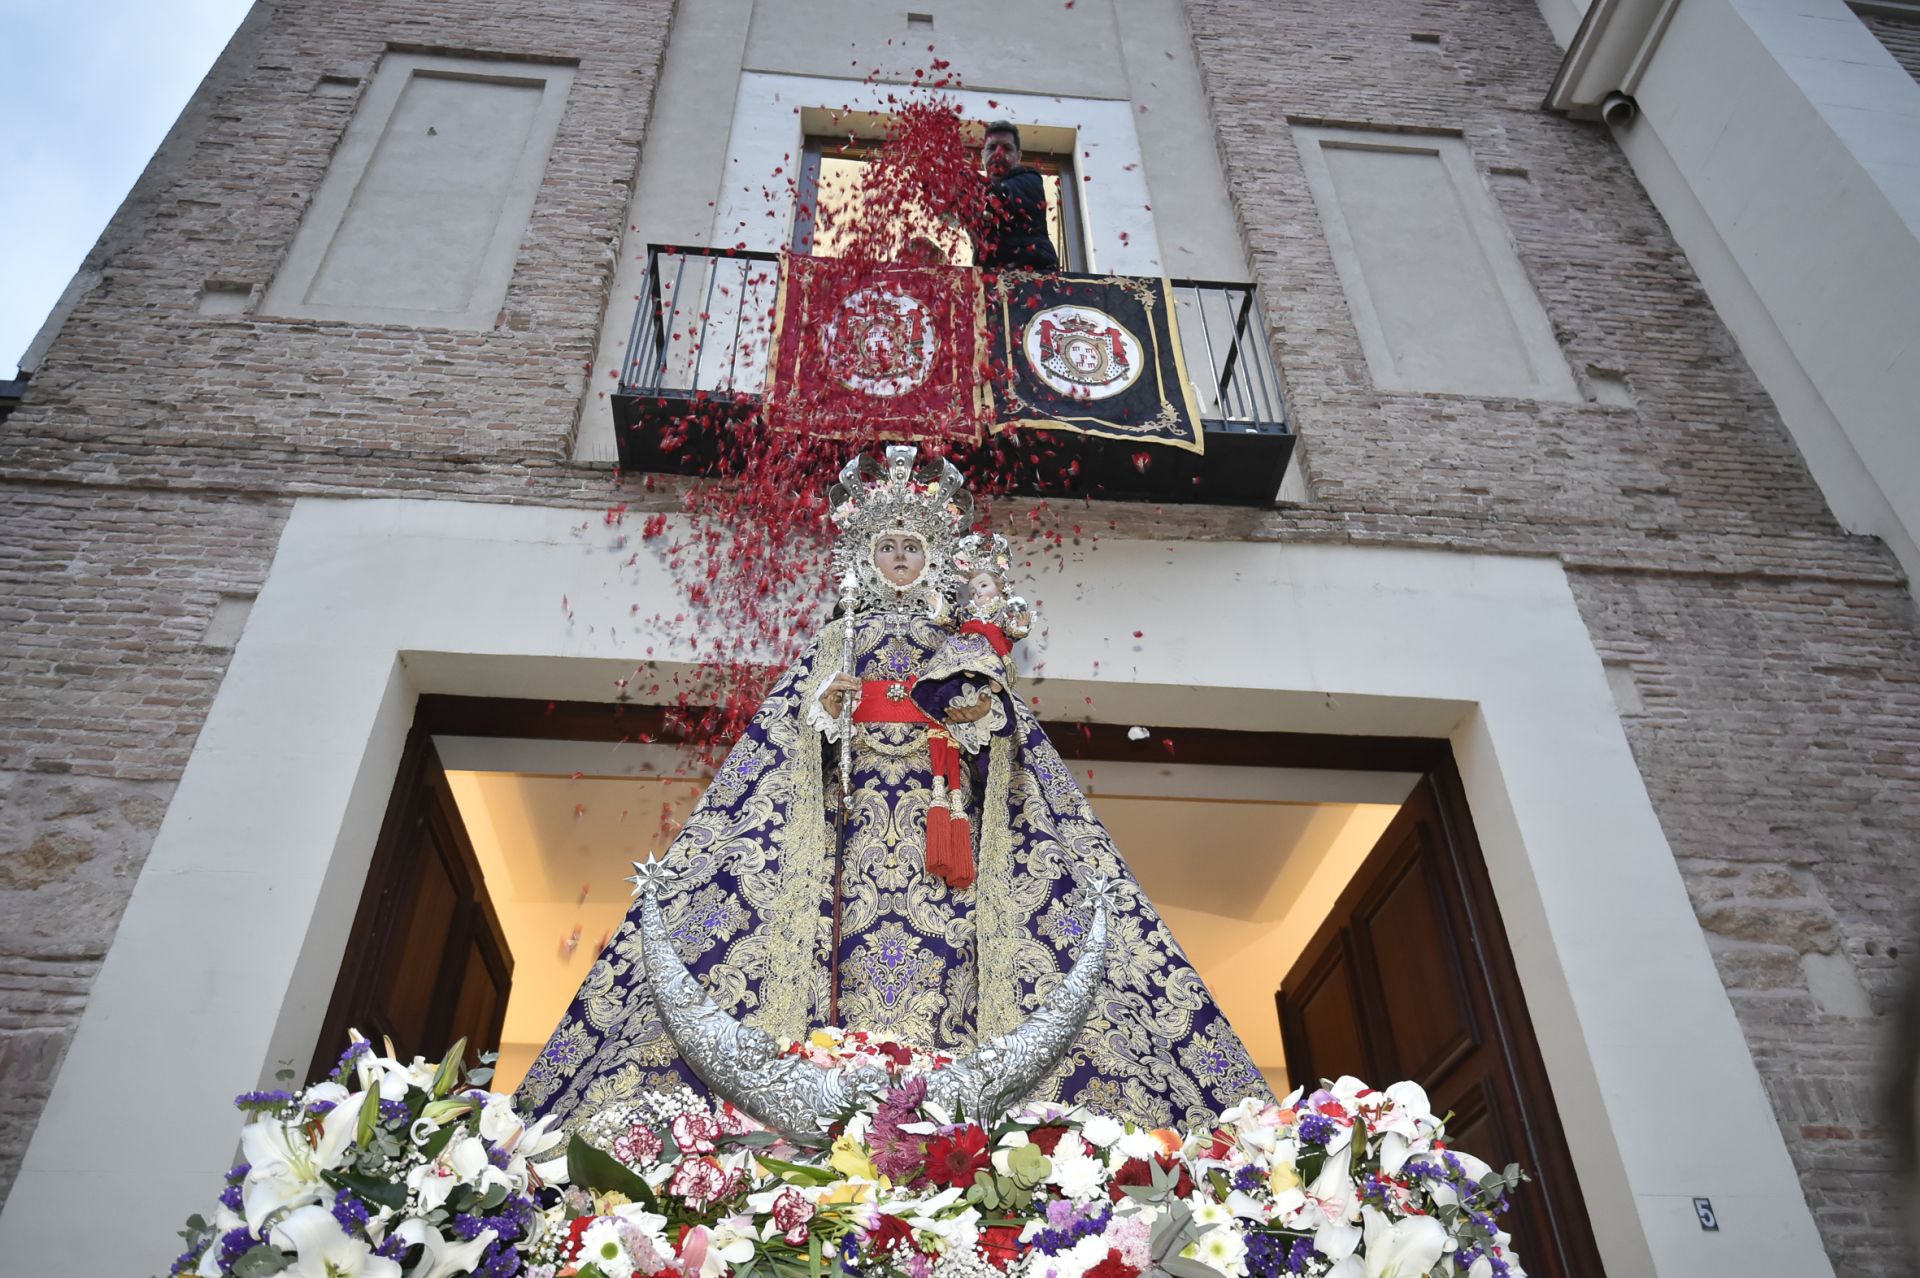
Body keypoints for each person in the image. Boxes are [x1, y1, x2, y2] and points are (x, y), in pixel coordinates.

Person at [516, 446, 1266, 1129]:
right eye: (889, 548)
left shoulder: (957, 641)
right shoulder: (836, 640)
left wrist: (973, 713)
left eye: (913, 548)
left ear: (932, 558)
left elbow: (992, 723)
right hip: (851, 825)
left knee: (973, 939)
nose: (901, 560)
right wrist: (829, 713)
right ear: (866, 559)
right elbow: (794, 733)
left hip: (949, 825)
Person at [974, 120, 1060, 272]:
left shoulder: (1029, 178)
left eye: (1006, 148)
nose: (998, 153)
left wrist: (961, 178)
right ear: (983, 155)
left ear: (1018, 156)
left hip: (1035, 279)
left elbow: (1001, 196)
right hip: (991, 282)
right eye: (991, 147)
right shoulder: (979, 197)